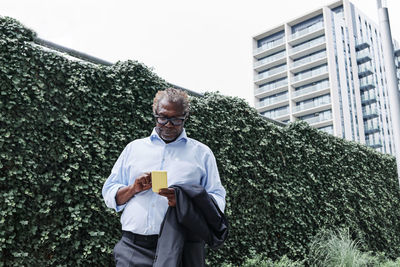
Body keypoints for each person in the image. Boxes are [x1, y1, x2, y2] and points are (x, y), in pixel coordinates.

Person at [102, 88, 226, 267]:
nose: (168, 124)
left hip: (183, 248)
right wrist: (133, 189)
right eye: (163, 118)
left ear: (185, 117)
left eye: (176, 119)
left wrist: (184, 201)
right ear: (155, 114)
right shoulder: (134, 149)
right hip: (133, 248)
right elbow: (109, 193)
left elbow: (217, 199)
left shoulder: (202, 153)